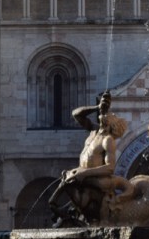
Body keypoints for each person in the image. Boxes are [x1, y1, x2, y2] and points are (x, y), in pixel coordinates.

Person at [48, 91, 134, 224]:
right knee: (66, 175)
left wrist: (84, 173)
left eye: (112, 115)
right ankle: (64, 208)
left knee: (70, 179)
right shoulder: (94, 130)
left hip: (96, 178)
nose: (109, 113)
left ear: (113, 124)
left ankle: (67, 208)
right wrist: (97, 107)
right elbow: (76, 114)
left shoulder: (108, 140)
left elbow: (110, 168)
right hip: (83, 173)